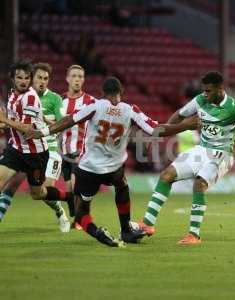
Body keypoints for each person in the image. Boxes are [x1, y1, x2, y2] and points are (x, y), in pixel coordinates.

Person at [26, 76, 199, 247]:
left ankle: (97, 232)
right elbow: (156, 129)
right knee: (122, 187)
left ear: (103, 93)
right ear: (121, 91)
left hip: (89, 168)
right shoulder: (130, 110)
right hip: (114, 168)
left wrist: (42, 132)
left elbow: (68, 120)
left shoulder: (94, 106)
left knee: (81, 213)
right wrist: (185, 125)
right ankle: (125, 230)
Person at [138, 71, 235, 245]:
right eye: (203, 90)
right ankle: (147, 224)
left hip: (223, 154)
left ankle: (194, 235)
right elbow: (179, 115)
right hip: (201, 150)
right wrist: (163, 131)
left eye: (208, 91)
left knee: (199, 184)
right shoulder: (200, 100)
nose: (204, 94)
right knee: (166, 175)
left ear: (220, 89)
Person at [0, 62, 72, 232]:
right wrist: (3, 124)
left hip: (36, 154)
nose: (23, 81)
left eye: (26, 78)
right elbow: (11, 124)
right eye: (19, 77)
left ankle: (65, 200)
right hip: (16, 150)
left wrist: (4, 120)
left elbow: (28, 129)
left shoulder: (31, 98)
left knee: (38, 194)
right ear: (12, 79)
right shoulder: (12, 96)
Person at [61, 64, 96, 227]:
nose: (77, 79)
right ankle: (78, 217)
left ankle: (81, 220)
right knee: (69, 191)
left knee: (76, 186)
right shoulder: (60, 101)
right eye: (74, 76)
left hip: (81, 152)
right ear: (67, 78)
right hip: (64, 153)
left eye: (80, 77)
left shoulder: (90, 101)